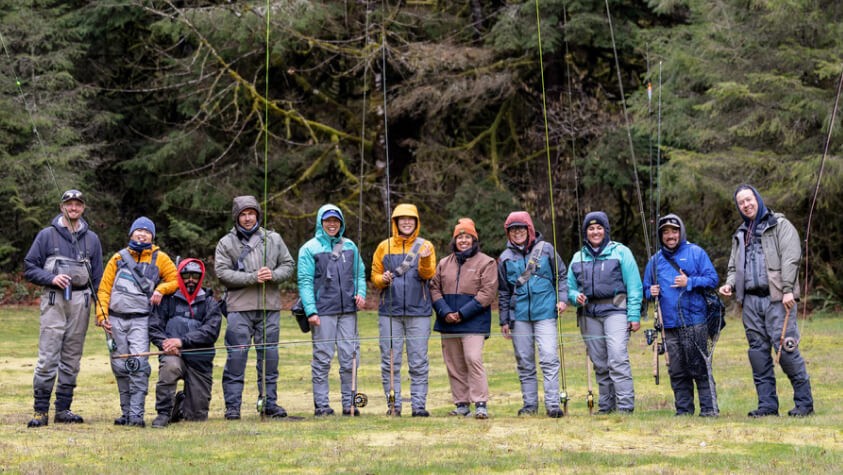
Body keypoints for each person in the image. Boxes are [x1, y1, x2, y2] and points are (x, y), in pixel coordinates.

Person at [719, 184, 814, 417]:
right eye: (741, 202)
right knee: (758, 354)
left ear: (757, 199)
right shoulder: (741, 233)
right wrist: (729, 283)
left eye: (749, 200)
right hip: (750, 302)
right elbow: (733, 266)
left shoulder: (780, 225)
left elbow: (791, 259)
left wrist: (788, 290)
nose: (746, 205)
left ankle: (804, 404)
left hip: (778, 300)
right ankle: (767, 406)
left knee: (787, 349)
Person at [23, 189, 104, 427]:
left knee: (72, 358)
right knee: (48, 357)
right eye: (69, 204)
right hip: (53, 300)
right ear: (62, 207)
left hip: (81, 302)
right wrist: (51, 278)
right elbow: (29, 267)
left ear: (83, 208)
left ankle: (63, 410)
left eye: (78, 204)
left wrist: (100, 308)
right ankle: (40, 411)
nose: (73, 208)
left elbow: (98, 276)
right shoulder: (46, 235)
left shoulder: (93, 239)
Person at [215, 195, 295, 420]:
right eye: (243, 214)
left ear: (258, 215)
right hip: (238, 309)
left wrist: (274, 274)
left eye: (252, 213)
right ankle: (232, 407)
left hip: (269, 308)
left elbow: (288, 264)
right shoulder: (226, 243)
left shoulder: (274, 239)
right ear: (236, 217)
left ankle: (269, 404)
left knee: (269, 358)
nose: (248, 218)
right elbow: (221, 273)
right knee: (236, 359)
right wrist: (252, 277)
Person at [97, 217, 179, 427]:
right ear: (131, 234)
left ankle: (136, 415)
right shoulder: (117, 258)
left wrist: (161, 289)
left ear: (152, 236)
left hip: (141, 321)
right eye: (138, 231)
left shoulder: (160, 258)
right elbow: (104, 290)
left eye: (147, 232)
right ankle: (125, 413)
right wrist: (102, 316)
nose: (142, 234)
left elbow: (175, 279)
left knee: (139, 365)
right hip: (115, 320)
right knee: (120, 366)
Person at [643, 214, 720, 417]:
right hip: (668, 324)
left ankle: (709, 410)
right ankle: (684, 410)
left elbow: (713, 279)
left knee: (699, 367)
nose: (670, 236)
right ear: (661, 236)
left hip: (694, 320)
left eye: (674, 231)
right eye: (666, 232)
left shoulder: (696, 253)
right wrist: (650, 292)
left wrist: (690, 282)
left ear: (681, 232)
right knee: (676, 370)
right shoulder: (654, 261)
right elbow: (645, 289)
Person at [567, 211, 642, 414]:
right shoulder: (577, 257)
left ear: (606, 230)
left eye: (599, 227)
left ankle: (625, 406)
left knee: (617, 357)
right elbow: (569, 287)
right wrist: (575, 297)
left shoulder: (621, 252)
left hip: (615, 311)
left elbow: (634, 286)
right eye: (591, 228)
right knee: (599, 362)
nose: (595, 232)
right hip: (588, 314)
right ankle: (606, 406)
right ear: (585, 232)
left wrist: (634, 315)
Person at [297, 204, 367, 416]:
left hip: (348, 311)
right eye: (327, 221)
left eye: (335, 221)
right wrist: (311, 310)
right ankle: (322, 405)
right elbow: (305, 281)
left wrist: (361, 294)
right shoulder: (309, 248)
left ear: (341, 223)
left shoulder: (350, 246)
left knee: (350, 357)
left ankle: (350, 404)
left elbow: (359, 275)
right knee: (322, 358)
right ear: (321, 222)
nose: (332, 224)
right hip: (323, 311)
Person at [497, 211, 568, 418]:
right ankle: (529, 405)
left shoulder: (546, 250)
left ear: (529, 229)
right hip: (518, 316)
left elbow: (561, 275)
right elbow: (503, 291)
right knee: (525, 361)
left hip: (545, 311)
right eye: (513, 230)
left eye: (520, 228)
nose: (517, 233)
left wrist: (562, 299)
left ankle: (553, 405)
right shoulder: (504, 258)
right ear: (508, 233)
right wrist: (504, 320)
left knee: (548, 357)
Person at [371, 204, 436, 417]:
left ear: (416, 222)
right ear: (395, 222)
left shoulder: (426, 246)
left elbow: (428, 275)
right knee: (390, 362)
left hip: (419, 312)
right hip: (390, 312)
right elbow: (375, 276)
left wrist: (424, 258)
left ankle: (418, 407)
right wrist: (383, 279)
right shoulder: (383, 247)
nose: (406, 222)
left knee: (418, 361)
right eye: (402, 219)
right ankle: (393, 405)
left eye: (411, 219)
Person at [430, 218, 498, 419]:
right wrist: (444, 312)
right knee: (454, 363)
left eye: (467, 237)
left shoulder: (487, 262)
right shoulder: (444, 263)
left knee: (472, 359)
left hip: (474, 322)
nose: (463, 241)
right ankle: (461, 404)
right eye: (460, 237)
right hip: (447, 321)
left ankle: (480, 404)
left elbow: (487, 293)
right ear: (455, 240)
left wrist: (462, 313)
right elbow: (434, 288)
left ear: (474, 239)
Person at [149, 258, 222, 428]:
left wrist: (181, 341)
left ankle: (180, 405)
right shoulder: (167, 299)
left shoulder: (210, 302)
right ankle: (163, 413)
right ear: (179, 276)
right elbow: (154, 326)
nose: (190, 280)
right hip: (172, 355)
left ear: (201, 278)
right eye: (186, 276)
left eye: (195, 276)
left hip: (199, 359)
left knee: (196, 417)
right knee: (170, 367)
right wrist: (165, 345)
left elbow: (211, 332)